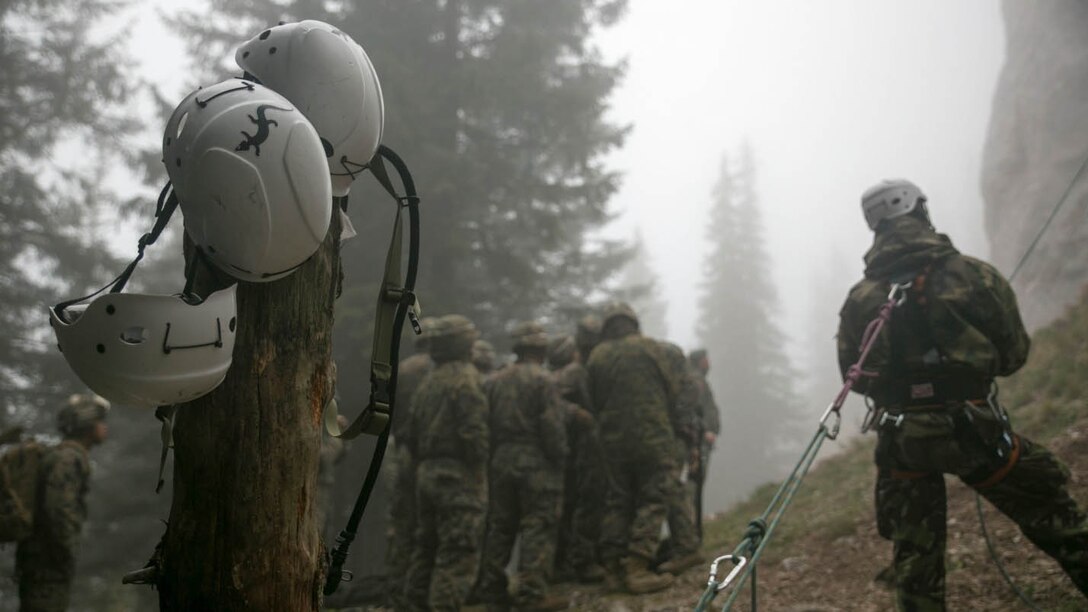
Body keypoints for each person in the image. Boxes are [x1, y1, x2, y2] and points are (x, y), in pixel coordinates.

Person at [837, 179, 1088, 610]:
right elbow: (1013, 356)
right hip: (975, 430)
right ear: (919, 211)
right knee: (1052, 513)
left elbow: (856, 377)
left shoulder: (861, 299)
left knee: (916, 564)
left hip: (904, 443)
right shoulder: (972, 275)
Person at [586, 302, 684, 594]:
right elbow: (672, 388)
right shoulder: (651, 348)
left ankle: (613, 568)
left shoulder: (597, 356)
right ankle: (638, 566)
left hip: (613, 439)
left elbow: (593, 397)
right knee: (654, 496)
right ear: (633, 322)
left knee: (619, 499)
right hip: (652, 435)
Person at [475, 321, 568, 611]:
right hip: (536, 461)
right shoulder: (544, 380)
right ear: (541, 348)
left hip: (501, 460)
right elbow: (551, 427)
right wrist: (560, 457)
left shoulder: (494, 380)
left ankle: (490, 590)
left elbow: (484, 424)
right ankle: (531, 594)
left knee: (501, 526)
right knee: (537, 525)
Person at [402, 315, 489, 611]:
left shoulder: (429, 382)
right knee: (457, 552)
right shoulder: (468, 378)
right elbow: (474, 434)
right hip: (458, 476)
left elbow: (411, 434)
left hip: (426, 473)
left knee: (425, 548)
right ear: (464, 343)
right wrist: (479, 466)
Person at [16, 393, 108, 612]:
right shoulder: (68, 459)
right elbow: (58, 509)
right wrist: (66, 551)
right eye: (100, 421)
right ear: (88, 425)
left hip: (43, 560)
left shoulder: (66, 456)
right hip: (46, 564)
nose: (104, 428)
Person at [384, 316, 438, 607]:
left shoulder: (401, 369)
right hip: (429, 455)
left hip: (399, 451)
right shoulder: (435, 370)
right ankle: (424, 593)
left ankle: (396, 592)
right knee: (429, 525)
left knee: (400, 525)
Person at [548, 333, 606, 584]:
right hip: (579, 450)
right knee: (585, 503)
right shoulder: (574, 373)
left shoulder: (552, 377)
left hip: (561, 451)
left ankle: (560, 562)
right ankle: (582, 560)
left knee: (565, 507)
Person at [655, 341, 703, 575]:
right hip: (677, 439)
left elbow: (681, 416)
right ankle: (683, 543)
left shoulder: (685, 384)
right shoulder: (684, 381)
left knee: (672, 489)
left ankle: (686, 545)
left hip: (676, 440)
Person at [688, 348, 720, 538]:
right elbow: (697, 410)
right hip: (699, 443)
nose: (709, 362)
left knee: (697, 484)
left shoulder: (698, 380)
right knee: (694, 485)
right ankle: (692, 530)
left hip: (701, 441)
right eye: (706, 359)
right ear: (700, 361)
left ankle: (693, 529)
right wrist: (706, 431)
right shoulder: (696, 381)